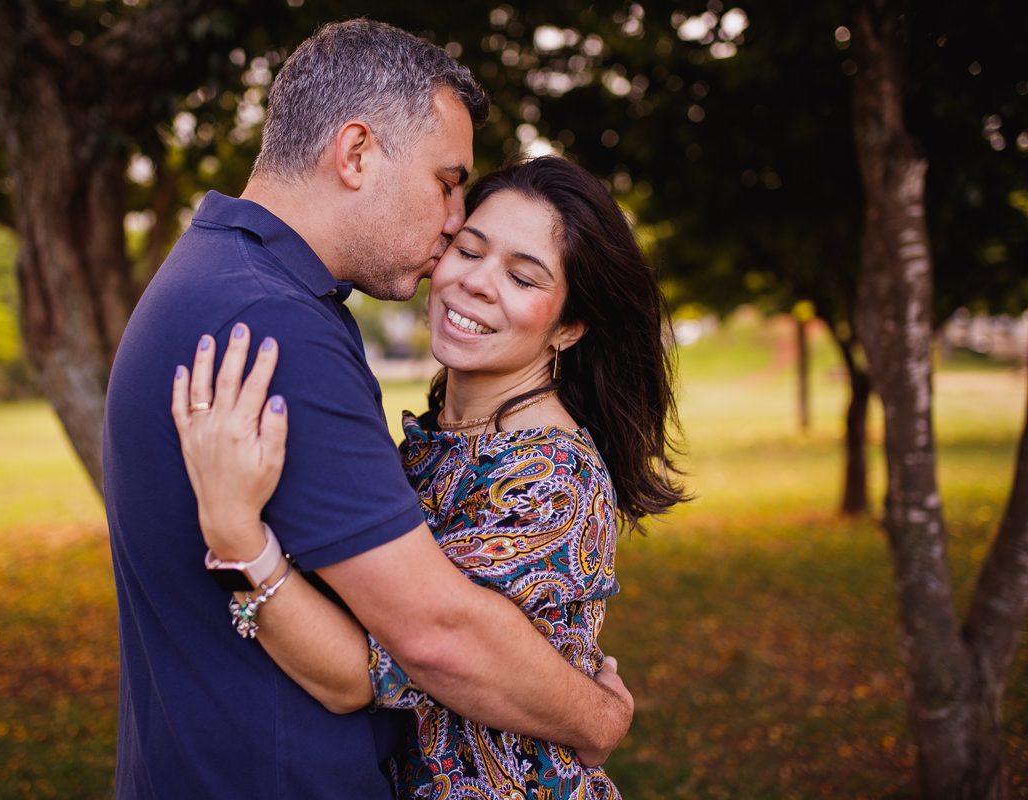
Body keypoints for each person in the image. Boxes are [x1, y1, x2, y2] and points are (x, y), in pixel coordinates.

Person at [103, 20, 635, 799]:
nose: (453, 221)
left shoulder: (229, 277)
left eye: (523, 274)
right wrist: (596, 719)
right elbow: (432, 637)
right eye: (448, 183)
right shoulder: (273, 318)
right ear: (356, 153)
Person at [171, 155, 689, 799]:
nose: (476, 283)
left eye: (524, 278)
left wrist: (237, 536)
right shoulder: (431, 447)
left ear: (570, 326)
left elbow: (362, 673)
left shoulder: (550, 474)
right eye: (468, 249)